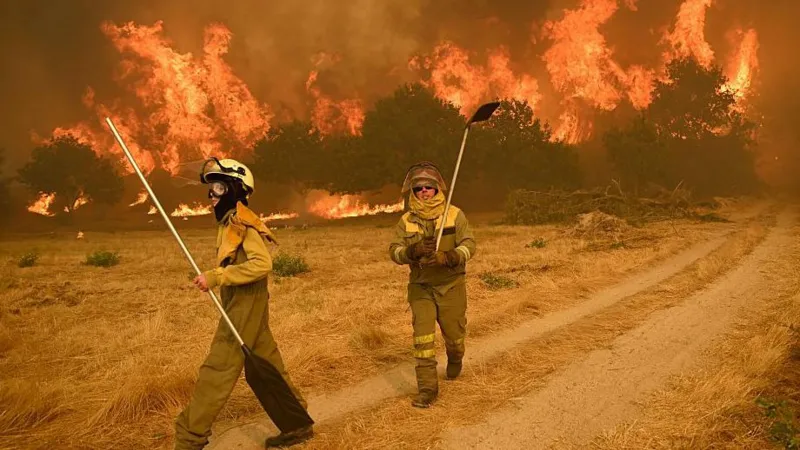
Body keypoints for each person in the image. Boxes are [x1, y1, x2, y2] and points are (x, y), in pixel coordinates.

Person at [174, 158, 312, 449]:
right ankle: (297, 422)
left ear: (235, 191)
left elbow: (262, 264)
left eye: (219, 188)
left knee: (218, 367)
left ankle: (189, 438)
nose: (212, 195)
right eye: (211, 188)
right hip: (244, 299)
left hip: (246, 301)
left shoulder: (242, 223)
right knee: (268, 362)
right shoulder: (228, 222)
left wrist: (217, 276)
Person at [388, 161, 477, 408]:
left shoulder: (454, 214)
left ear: (437, 188)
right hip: (421, 287)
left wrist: (448, 257)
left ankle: (455, 357)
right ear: (413, 193)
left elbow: (470, 245)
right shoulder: (406, 221)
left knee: (455, 336)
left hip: (451, 285)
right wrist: (412, 251)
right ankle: (427, 389)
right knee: (423, 340)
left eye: (429, 187)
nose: (424, 191)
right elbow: (393, 251)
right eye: (418, 189)